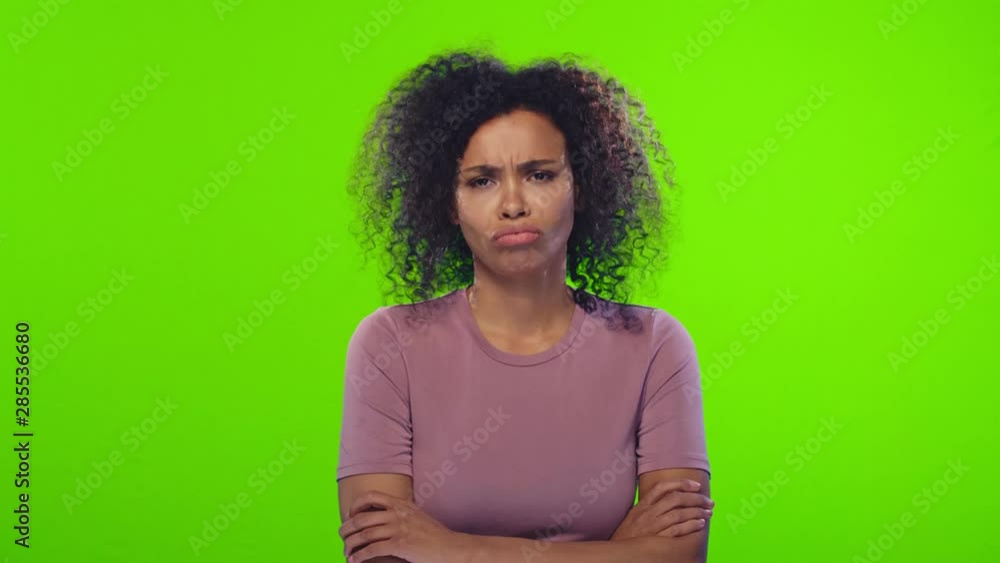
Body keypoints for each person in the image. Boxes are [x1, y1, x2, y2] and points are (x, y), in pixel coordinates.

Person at [337, 48, 714, 563]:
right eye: (482, 180)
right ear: (448, 203)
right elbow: (379, 554)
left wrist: (450, 549)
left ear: (582, 187)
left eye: (540, 174)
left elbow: (679, 555)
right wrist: (617, 552)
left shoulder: (653, 346)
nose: (513, 203)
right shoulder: (389, 345)